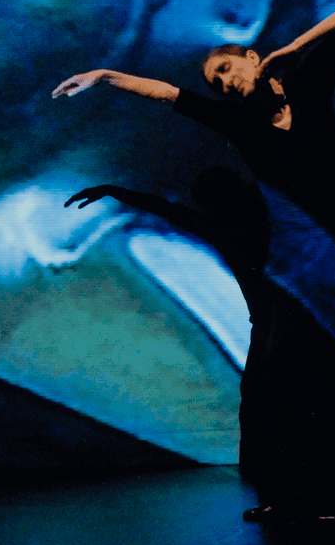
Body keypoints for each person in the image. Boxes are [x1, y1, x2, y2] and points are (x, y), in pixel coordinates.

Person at [53, 4, 335, 523]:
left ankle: (332, 499)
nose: (222, 84)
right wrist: (107, 75)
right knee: (278, 376)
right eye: (215, 81)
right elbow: (167, 94)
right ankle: (279, 494)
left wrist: (293, 49)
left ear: (252, 59)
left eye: (226, 70)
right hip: (292, 259)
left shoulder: (308, 87)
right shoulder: (238, 123)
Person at [66, 168, 280, 494]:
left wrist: (113, 190)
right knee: (260, 404)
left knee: (265, 404)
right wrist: (114, 190)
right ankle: (269, 480)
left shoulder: (238, 224)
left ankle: (275, 479)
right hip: (273, 324)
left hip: (280, 324)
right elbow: (166, 209)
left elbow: (167, 209)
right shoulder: (236, 223)